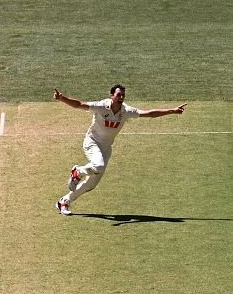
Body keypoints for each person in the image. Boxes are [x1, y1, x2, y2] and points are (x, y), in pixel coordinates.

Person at [53, 85, 187, 215]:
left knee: (91, 184)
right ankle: (78, 172)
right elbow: (79, 104)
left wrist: (172, 110)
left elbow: (149, 113)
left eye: (123, 95)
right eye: (119, 94)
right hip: (92, 143)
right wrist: (62, 98)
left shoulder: (126, 111)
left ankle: (64, 201)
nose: (121, 97)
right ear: (112, 95)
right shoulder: (101, 106)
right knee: (98, 166)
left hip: (106, 148)